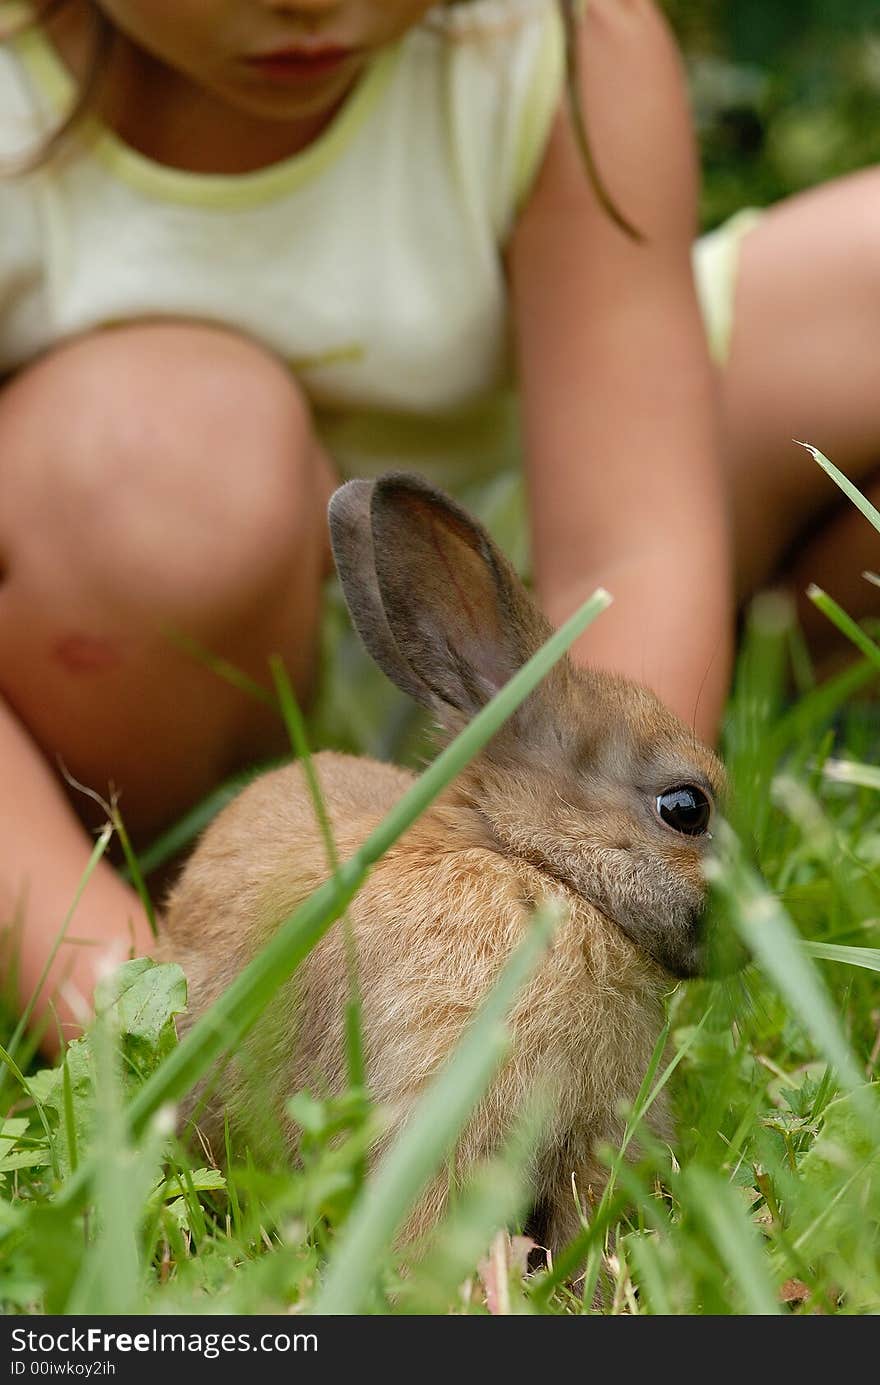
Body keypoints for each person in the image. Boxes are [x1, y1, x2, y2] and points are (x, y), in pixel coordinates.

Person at [0, 0, 869, 1054]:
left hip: (508, 621)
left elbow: (628, 543)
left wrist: (585, 891)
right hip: (153, 638)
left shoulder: (549, 37)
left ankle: (769, 660)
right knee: (165, 462)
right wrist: (124, 997)